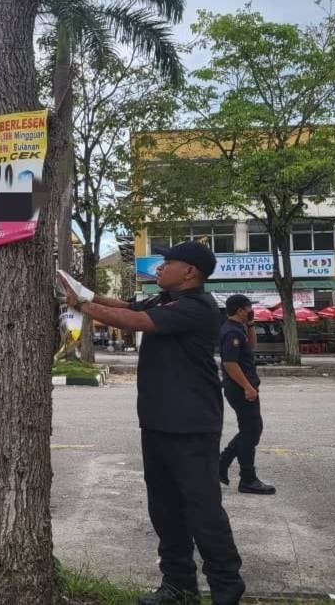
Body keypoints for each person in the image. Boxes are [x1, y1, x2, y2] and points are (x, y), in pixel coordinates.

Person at [58, 241, 245, 605]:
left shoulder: (198, 308)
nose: (158, 268)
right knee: (164, 508)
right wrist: (81, 292)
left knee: (203, 510)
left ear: (189, 272)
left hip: (192, 425)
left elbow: (134, 321)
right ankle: (178, 587)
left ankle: (226, 590)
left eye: (167, 262)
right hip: (158, 422)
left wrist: (81, 306)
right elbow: (125, 306)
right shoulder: (164, 301)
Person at [218, 295, 276, 495]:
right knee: (251, 431)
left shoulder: (239, 328)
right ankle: (247, 478)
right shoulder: (230, 332)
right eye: (249, 308)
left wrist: (251, 324)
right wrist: (247, 387)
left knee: (250, 431)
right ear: (240, 309)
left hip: (245, 387)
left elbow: (252, 346)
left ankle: (224, 464)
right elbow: (230, 363)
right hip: (240, 389)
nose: (251, 311)